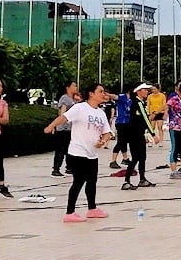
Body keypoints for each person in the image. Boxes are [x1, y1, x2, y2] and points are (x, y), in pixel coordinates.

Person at [45, 83, 114, 222]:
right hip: (77, 152)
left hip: (92, 154)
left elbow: (107, 132)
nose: (103, 94)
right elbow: (64, 117)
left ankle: (92, 209)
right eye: (100, 91)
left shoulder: (100, 113)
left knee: (92, 182)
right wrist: (51, 126)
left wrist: (103, 141)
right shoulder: (80, 108)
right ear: (91, 94)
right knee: (78, 181)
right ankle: (70, 212)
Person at [118, 83, 155, 191]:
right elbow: (145, 119)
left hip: (139, 134)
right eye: (145, 90)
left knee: (142, 157)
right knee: (136, 158)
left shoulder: (141, 103)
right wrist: (153, 134)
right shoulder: (137, 103)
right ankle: (126, 181)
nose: (147, 92)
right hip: (134, 135)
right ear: (138, 91)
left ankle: (142, 179)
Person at [51, 82, 79, 177]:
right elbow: (62, 113)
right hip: (63, 128)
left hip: (70, 128)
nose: (76, 87)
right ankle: (56, 169)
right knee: (60, 149)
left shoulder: (73, 99)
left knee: (69, 149)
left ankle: (69, 167)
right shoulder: (64, 98)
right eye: (74, 86)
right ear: (68, 88)